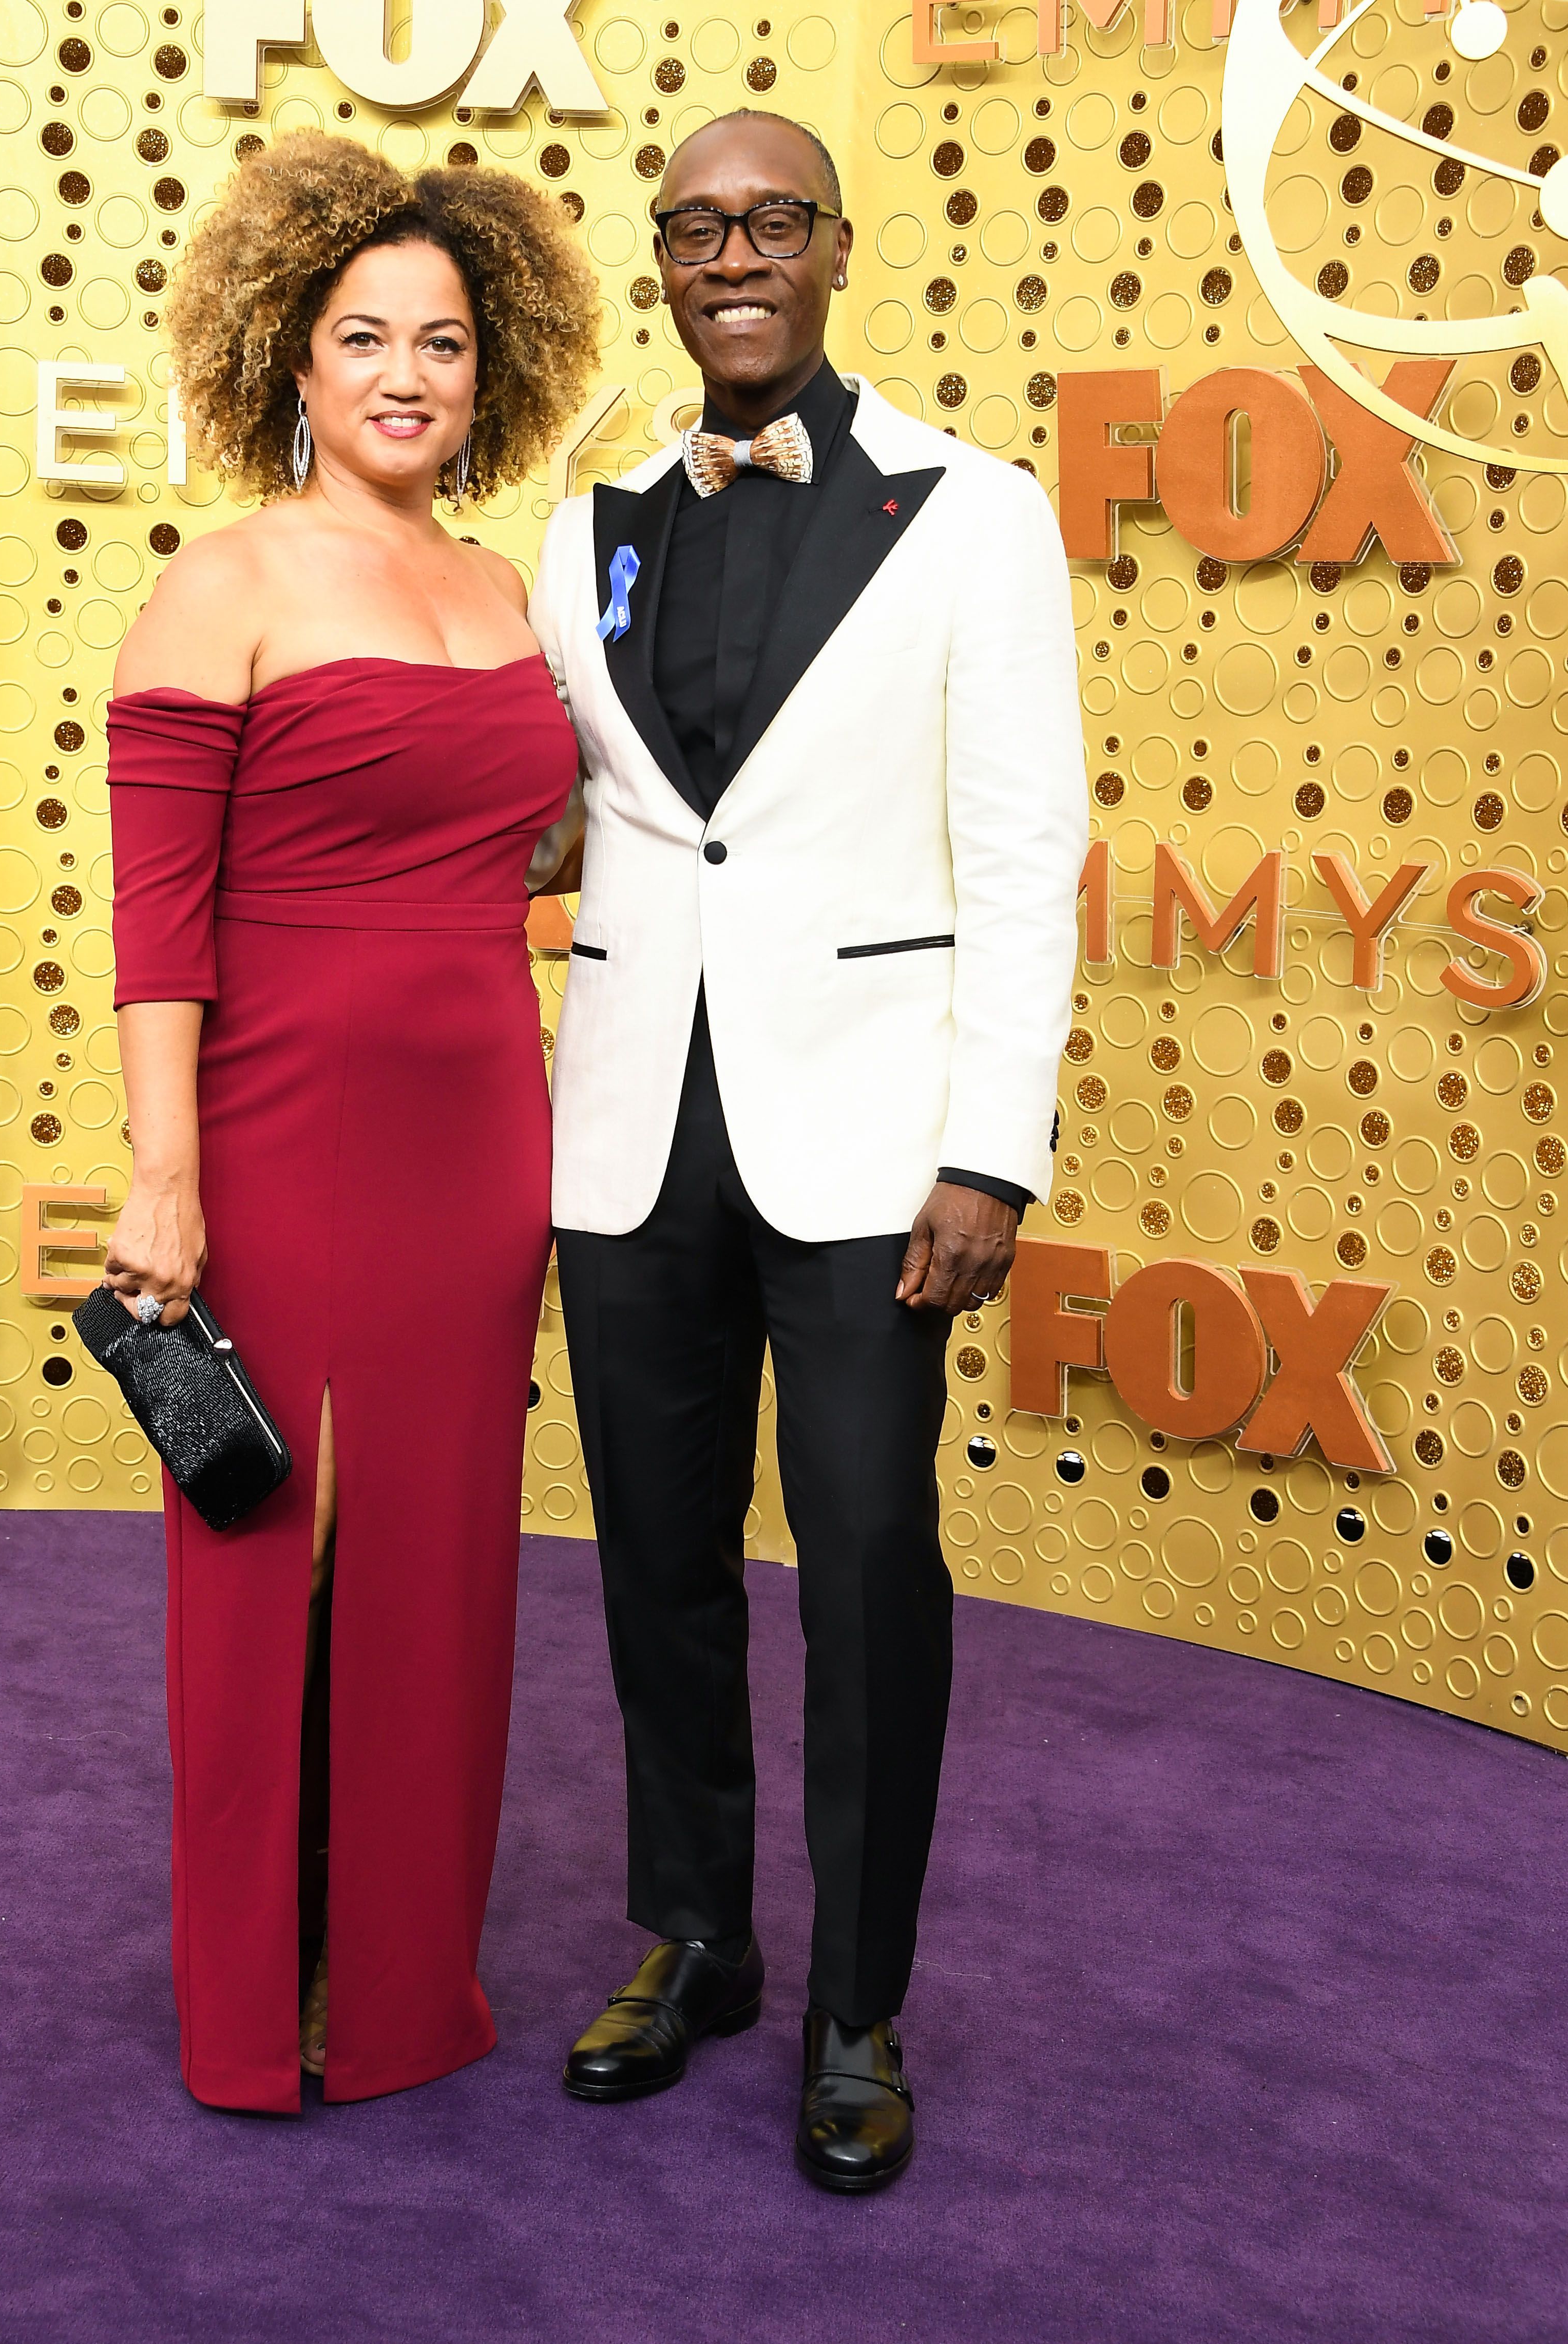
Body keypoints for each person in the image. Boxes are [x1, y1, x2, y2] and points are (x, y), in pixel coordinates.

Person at [529, 110, 1086, 2190]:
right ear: (661, 267)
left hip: (871, 1149)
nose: (731, 256)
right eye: (693, 231)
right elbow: (586, 800)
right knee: (658, 1574)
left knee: (862, 1572)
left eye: (769, 224)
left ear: (836, 249)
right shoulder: (583, 522)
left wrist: (992, 1147)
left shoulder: (973, 510)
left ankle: (858, 1997)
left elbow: (1027, 858)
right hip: (627, 1136)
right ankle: (699, 1939)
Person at [99, 132, 596, 2114]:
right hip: (279, 1123)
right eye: (362, 335)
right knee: (259, 1555)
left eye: (447, 343)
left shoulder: (499, 585)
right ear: (285, 362)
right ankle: (249, 2008)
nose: (406, 372)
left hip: (484, 1134)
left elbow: (556, 846)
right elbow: (159, 919)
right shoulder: (219, 580)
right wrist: (163, 1169)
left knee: (449, 1566)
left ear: (497, 372)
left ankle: (400, 1994)